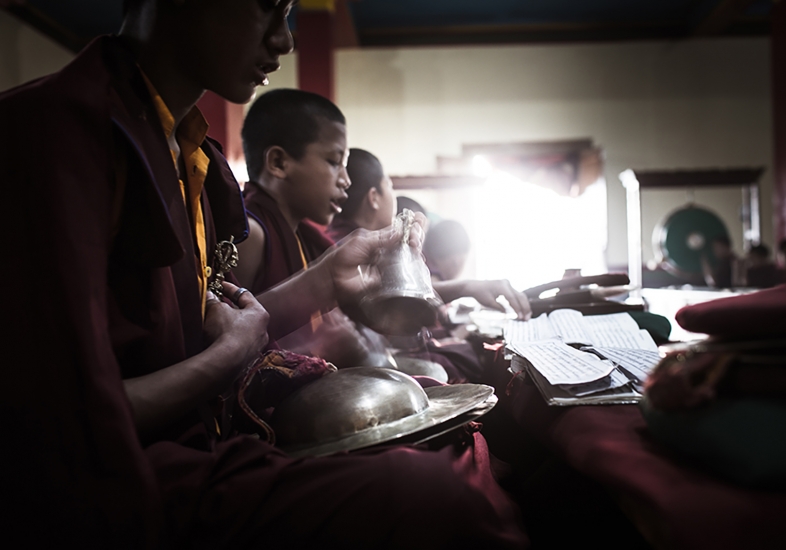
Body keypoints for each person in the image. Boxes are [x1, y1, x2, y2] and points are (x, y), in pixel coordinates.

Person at [0, 1, 528, 547]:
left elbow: (206, 334)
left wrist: (325, 281)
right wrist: (230, 356)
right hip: (124, 483)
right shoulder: (52, 131)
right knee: (435, 495)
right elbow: (68, 420)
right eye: (267, 8)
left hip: (204, 444)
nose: (285, 40)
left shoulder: (187, 150)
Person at [329, 148, 532, 320]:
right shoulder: (346, 248)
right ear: (374, 198)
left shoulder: (346, 240)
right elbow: (395, 299)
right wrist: (467, 287)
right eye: (390, 186)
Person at [234, 88, 346, 295]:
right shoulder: (250, 234)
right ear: (279, 162)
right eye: (334, 162)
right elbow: (233, 323)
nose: (345, 181)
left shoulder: (302, 236)